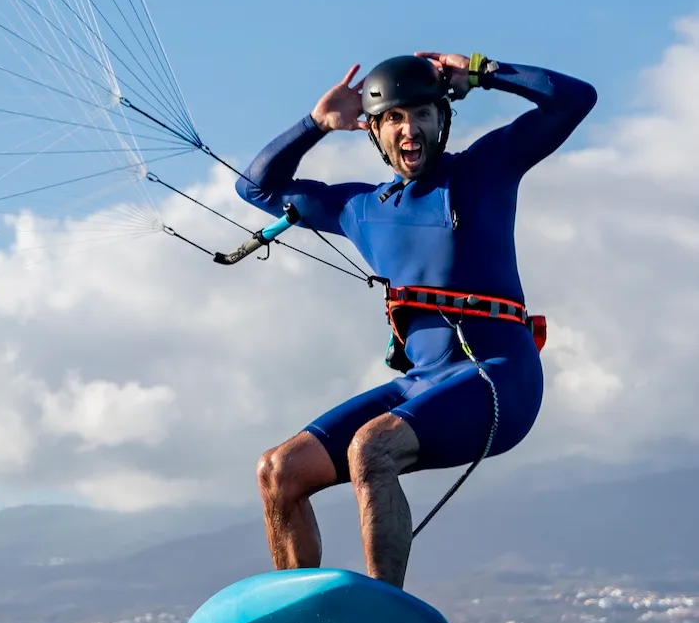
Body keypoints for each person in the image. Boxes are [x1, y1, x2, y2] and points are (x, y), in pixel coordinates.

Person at [239, 53, 596, 589]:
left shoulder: (484, 170)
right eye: (395, 118)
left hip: (499, 377)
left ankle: (384, 613)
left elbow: (575, 99)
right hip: (421, 383)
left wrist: (481, 71)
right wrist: (314, 124)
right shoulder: (359, 209)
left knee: (370, 447)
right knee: (278, 471)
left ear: (442, 120)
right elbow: (256, 189)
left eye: (423, 114)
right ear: (376, 132)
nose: (410, 128)